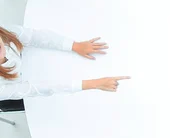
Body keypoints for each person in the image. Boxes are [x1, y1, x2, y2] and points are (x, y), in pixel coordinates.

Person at [0, 24, 129, 105]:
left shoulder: (3, 31)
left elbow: (34, 36)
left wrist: (74, 45)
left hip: (34, 58)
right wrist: (93, 84)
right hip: (23, 84)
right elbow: (36, 88)